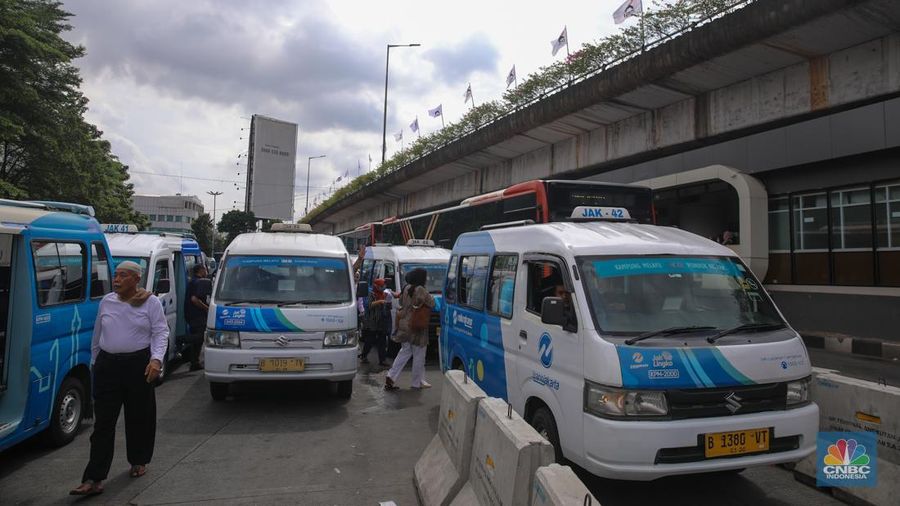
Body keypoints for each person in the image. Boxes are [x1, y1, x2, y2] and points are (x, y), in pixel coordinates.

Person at [70, 261, 169, 497]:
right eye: (116, 275)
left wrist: (156, 360)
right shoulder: (107, 301)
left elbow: (160, 331)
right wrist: (95, 362)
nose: (117, 279)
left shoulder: (150, 302)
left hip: (138, 366)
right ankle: (93, 478)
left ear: (136, 279)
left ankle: (139, 461)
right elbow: (98, 333)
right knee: (103, 423)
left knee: (139, 417)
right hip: (107, 366)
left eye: (123, 276)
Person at [385, 268, 434, 390]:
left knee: (404, 352)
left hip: (404, 325)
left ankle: (391, 375)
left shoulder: (406, 288)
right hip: (416, 327)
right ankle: (416, 383)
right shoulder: (421, 290)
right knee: (419, 355)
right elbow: (432, 303)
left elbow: (401, 302)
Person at [185, 264, 212, 371]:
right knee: (199, 337)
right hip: (197, 314)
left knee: (198, 340)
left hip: (192, 314)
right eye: (205, 269)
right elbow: (194, 299)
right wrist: (207, 308)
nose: (206, 271)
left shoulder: (193, 281)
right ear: (201, 270)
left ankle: (194, 362)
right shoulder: (198, 282)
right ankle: (182, 340)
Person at [360, 278, 391, 366]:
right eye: (381, 286)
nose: (383, 287)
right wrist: (380, 302)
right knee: (370, 340)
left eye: (383, 286)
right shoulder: (371, 294)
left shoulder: (384, 294)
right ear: (376, 286)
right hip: (372, 320)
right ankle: (364, 356)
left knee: (382, 341)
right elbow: (369, 305)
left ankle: (382, 360)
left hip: (382, 320)